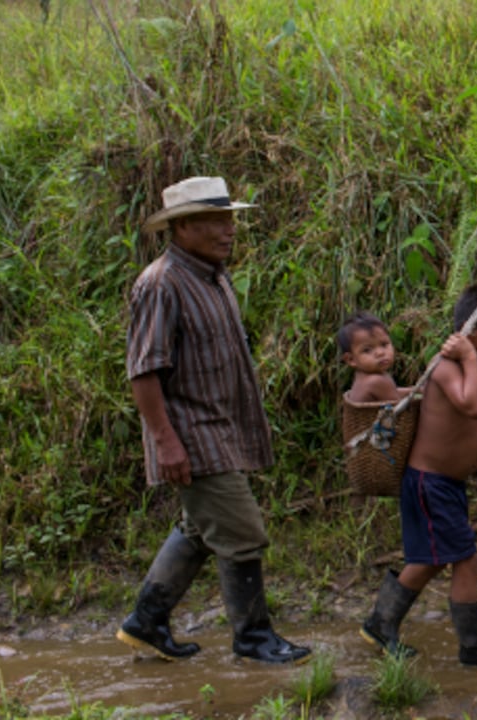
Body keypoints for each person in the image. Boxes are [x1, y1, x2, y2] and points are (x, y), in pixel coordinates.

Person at [116, 176, 311, 665]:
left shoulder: (213, 274)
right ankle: (253, 637)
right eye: (217, 221)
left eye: (231, 219)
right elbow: (143, 372)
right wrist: (165, 440)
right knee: (241, 530)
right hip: (191, 431)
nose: (230, 230)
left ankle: (147, 621)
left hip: (222, 425)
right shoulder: (161, 284)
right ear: (182, 227)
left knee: (201, 528)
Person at [359, 284, 477, 668]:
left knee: (433, 558)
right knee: (465, 558)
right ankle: (476, 647)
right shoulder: (448, 367)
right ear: (469, 333)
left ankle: (380, 624)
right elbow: (471, 405)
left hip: (445, 485)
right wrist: (470, 356)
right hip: (428, 483)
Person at [338, 311, 412, 403]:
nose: (380, 353)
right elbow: (399, 411)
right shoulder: (377, 381)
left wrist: (415, 390)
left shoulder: (363, 376)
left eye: (384, 344)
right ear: (351, 359)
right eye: (367, 350)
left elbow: (393, 392)